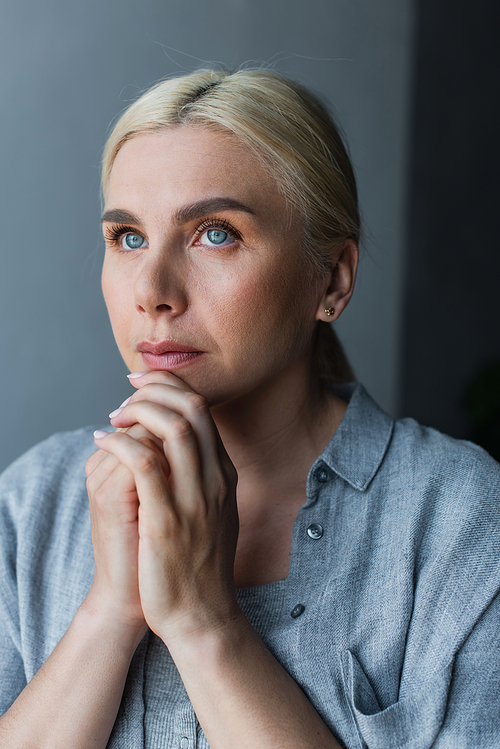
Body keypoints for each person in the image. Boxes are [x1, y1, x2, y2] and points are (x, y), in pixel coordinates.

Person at [0, 68, 499, 749]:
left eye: (215, 233)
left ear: (333, 277)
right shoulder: (31, 504)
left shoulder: (462, 520)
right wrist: (109, 612)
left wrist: (206, 622)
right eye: (129, 237)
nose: (154, 291)